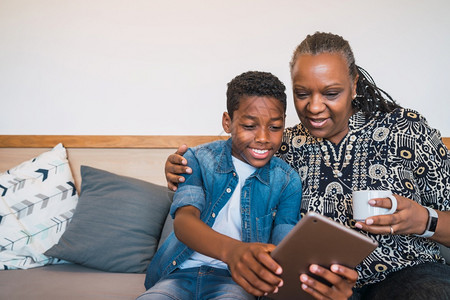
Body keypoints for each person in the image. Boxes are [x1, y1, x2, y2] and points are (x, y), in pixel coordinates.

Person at [164, 32, 450, 299]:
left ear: (354, 86)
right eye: (302, 94)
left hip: (408, 275)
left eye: (330, 93)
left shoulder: (407, 130)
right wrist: (181, 169)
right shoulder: (278, 146)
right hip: (315, 284)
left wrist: (425, 220)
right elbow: (223, 173)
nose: (313, 107)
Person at [139, 70, 344, 300]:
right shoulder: (198, 159)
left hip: (235, 282)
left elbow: (283, 246)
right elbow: (185, 223)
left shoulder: (287, 181)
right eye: (249, 126)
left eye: (275, 127)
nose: (264, 138)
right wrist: (234, 251)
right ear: (228, 122)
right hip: (178, 274)